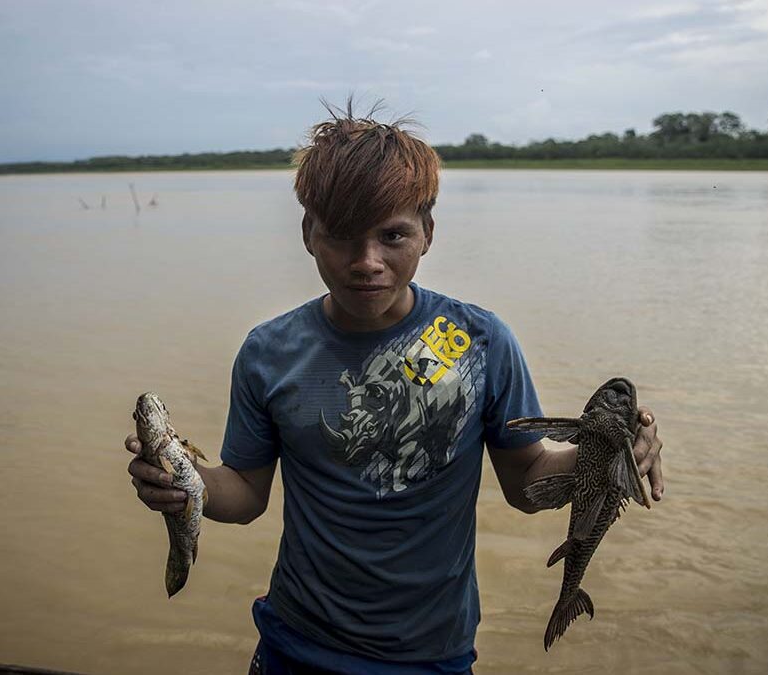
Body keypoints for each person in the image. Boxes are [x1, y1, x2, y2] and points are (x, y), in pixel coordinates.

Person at [124, 105, 664, 674]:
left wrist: (603, 452)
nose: (367, 263)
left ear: (427, 234)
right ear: (309, 233)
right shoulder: (270, 352)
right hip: (295, 643)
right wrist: (186, 484)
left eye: (393, 236)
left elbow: (527, 484)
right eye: (341, 237)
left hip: (433, 654)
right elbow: (245, 496)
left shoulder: (474, 340)